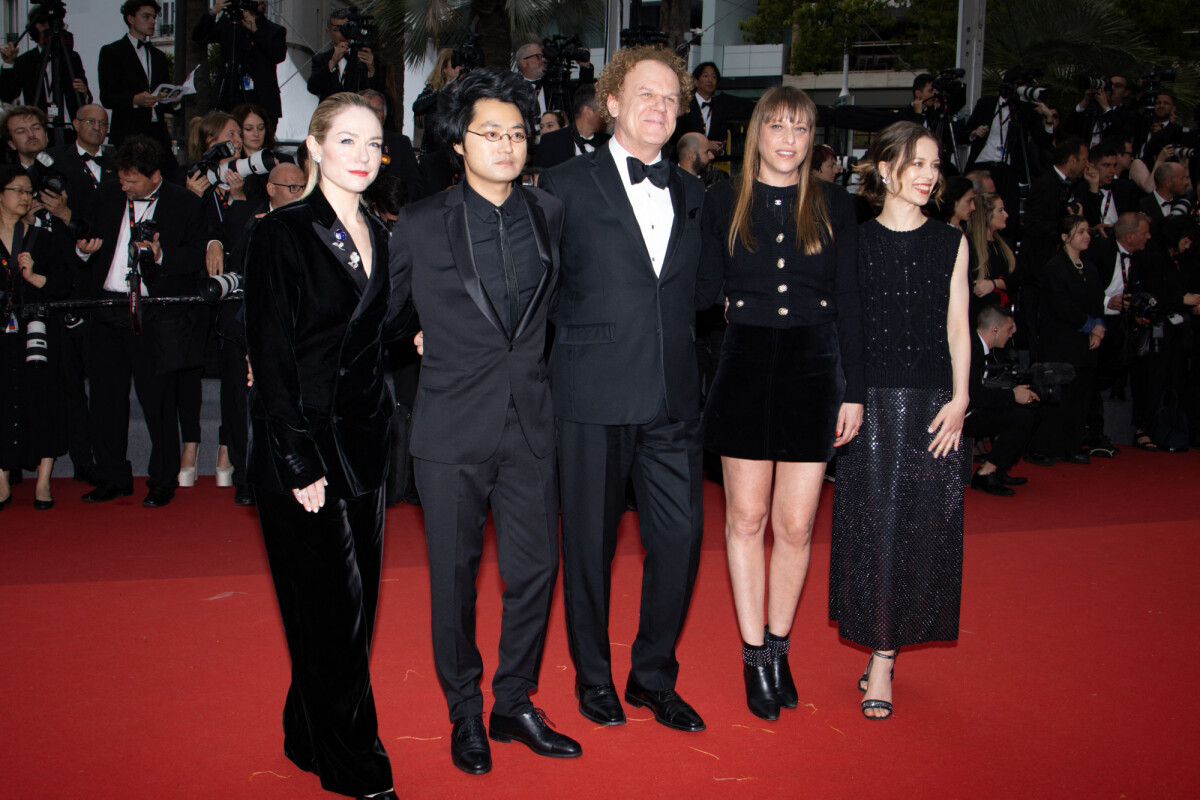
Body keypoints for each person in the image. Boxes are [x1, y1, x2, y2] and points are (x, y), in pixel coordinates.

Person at [388, 67, 582, 775]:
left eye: (517, 132)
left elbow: (555, 310)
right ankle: (463, 710)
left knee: (535, 571)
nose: (506, 144)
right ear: (457, 142)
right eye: (489, 133)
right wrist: (409, 337)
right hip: (449, 429)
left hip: (530, 423)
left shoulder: (549, 214)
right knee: (455, 580)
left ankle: (513, 701)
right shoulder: (417, 223)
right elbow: (380, 318)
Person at [538, 45, 721, 733]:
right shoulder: (562, 185)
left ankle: (652, 676)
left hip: (673, 398)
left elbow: (700, 292)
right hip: (590, 393)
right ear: (611, 102)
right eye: (646, 94)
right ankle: (593, 679)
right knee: (588, 547)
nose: (659, 108)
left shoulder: (694, 191)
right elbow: (538, 288)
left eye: (671, 99)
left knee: (679, 540)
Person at [243, 92, 398, 800]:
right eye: (348, 142)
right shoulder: (282, 233)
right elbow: (270, 358)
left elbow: (361, 337)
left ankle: (306, 732)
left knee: (351, 617)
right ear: (313, 147)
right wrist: (296, 459)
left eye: (374, 144)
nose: (364, 156)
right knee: (334, 621)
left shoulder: (378, 229)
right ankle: (358, 769)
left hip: (365, 447)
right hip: (301, 453)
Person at [699, 86, 863, 721]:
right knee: (745, 519)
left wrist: (854, 389)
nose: (789, 139)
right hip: (745, 361)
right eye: (778, 126)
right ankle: (751, 654)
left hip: (815, 365)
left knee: (795, 526)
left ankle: (778, 647)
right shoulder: (721, 202)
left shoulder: (833, 203)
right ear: (758, 134)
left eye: (801, 128)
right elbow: (700, 288)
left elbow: (850, 299)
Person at [829, 121, 971, 720]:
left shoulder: (951, 242)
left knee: (920, 531)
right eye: (916, 163)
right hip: (873, 403)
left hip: (935, 404)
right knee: (875, 531)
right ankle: (881, 655)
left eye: (934, 165)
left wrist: (962, 399)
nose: (928, 175)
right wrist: (846, 395)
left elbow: (959, 327)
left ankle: (886, 653)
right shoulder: (853, 242)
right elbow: (844, 331)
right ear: (884, 169)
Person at [76, 135, 207, 508]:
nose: (125, 185)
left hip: (156, 313)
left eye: (132, 180)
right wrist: (82, 251)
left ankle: (162, 479)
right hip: (108, 307)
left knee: (159, 403)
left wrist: (162, 255)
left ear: (155, 176)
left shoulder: (183, 203)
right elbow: (86, 237)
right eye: (121, 177)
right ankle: (113, 476)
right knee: (104, 400)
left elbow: (197, 255)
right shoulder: (108, 195)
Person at [0, 164, 74, 510]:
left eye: (28, 191)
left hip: (38, 332)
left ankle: (43, 481)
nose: (25, 197)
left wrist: (34, 278)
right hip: (3, 333)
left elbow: (63, 286)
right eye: (17, 190)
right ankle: (2, 477)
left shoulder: (42, 238)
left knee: (44, 399)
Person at [1027, 215, 1106, 464]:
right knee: (1061, 396)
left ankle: (1072, 445)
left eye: (1087, 231)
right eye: (1080, 232)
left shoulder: (1090, 267)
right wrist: (1091, 325)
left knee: (1082, 395)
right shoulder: (1054, 267)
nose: (1087, 236)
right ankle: (1048, 446)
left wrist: (1100, 326)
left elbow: (1098, 301)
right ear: (1065, 237)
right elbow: (1061, 305)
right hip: (1061, 340)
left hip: (1086, 343)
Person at [965, 304, 1038, 495]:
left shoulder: (975, 346)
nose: (1012, 334)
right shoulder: (971, 349)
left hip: (970, 409)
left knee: (1024, 412)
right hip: (962, 415)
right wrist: (1012, 395)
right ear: (994, 329)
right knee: (1022, 417)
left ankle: (996, 467)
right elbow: (973, 395)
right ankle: (985, 474)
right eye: (1009, 329)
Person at [97, 1, 178, 172]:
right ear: (131, 19)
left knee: (171, 176)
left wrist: (174, 101)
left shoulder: (159, 56)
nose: (152, 22)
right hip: (129, 132)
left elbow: (162, 96)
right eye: (146, 16)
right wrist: (135, 100)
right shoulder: (112, 52)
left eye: (154, 18)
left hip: (158, 133)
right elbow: (107, 97)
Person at [192, 0, 286, 125]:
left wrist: (256, 32)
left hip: (262, 102)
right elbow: (199, 37)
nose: (261, 1)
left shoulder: (275, 30)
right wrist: (213, 12)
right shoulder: (230, 25)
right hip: (230, 97)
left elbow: (278, 55)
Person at [0, 6, 92, 130]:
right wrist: (9, 63)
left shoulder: (71, 57)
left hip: (70, 128)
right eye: (58, 25)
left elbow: (86, 97)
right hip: (39, 130)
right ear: (40, 27)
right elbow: (7, 95)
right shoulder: (26, 61)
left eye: (62, 25)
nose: (62, 29)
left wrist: (84, 92)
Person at [965, 192, 1020, 325]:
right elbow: (975, 285)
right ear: (986, 214)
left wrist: (993, 284)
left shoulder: (1005, 244)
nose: (1006, 215)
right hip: (981, 317)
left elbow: (1017, 278)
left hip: (1003, 313)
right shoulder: (969, 244)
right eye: (1000, 210)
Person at [306, 8, 385, 101]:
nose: (343, 34)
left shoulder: (367, 57)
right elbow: (313, 88)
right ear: (328, 32)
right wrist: (332, 63)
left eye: (347, 28)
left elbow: (381, 93)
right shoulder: (321, 59)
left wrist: (371, 70)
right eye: (337, 30)